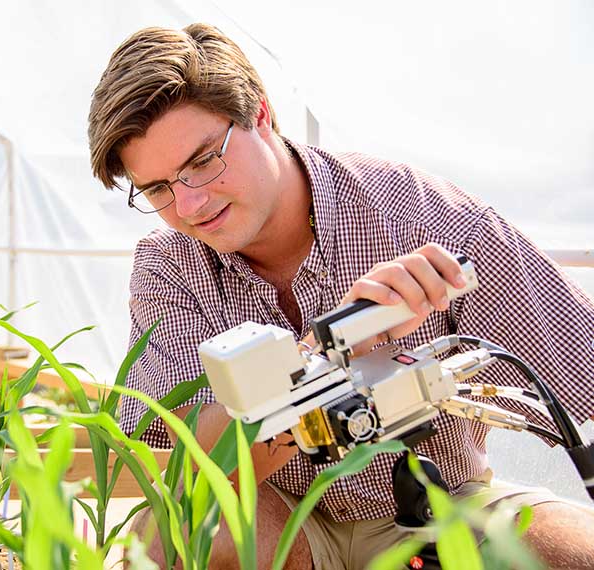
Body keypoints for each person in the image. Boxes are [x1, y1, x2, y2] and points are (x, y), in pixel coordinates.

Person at [88, 23, 594, 569]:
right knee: (186, 533)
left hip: (439, 502)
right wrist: (321, 358)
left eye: (204, 160)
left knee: (564, 550)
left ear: (259, 113)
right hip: (285, 518)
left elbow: (581, 362)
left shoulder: (421, 217)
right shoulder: (169, 268)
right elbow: (202, 470)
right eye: (159, 188)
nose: (189, 207)